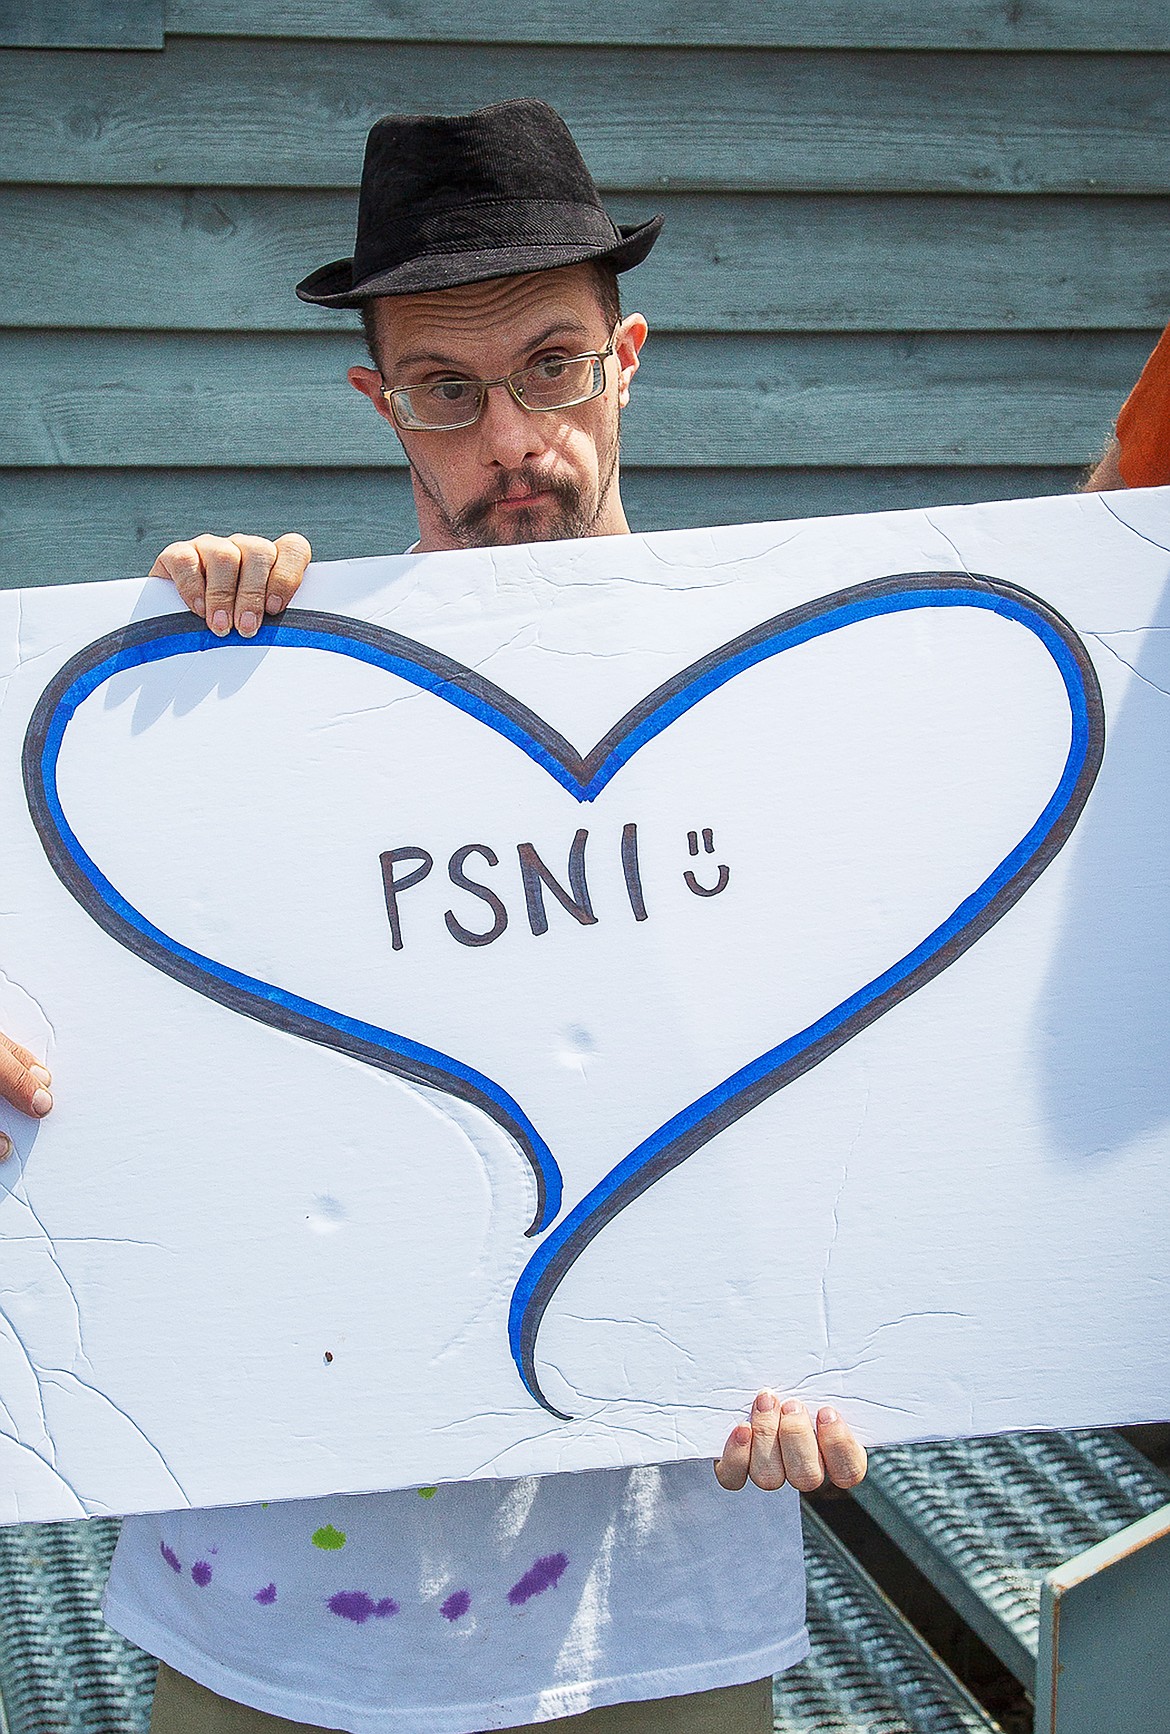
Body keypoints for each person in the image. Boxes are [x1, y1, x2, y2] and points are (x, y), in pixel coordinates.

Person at [0, 96, 1164, 1734]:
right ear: (379, 401)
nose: (507, 440)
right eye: (446, 391)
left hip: (651, 1626)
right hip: (261, 1629)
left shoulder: (804, 739)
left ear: (627, 357)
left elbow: (908, 1111)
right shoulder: (230, 700)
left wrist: (884, 1344)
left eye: (549, 366)